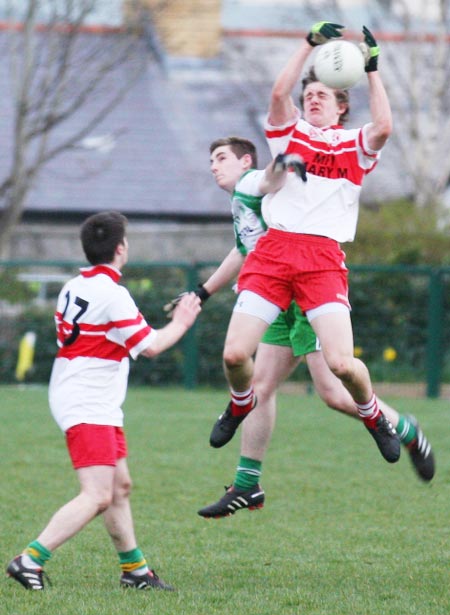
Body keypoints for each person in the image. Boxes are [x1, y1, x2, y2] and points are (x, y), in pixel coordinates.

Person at [186, 137, 434, 517]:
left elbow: (284, 192)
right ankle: (248, 485)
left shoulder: (259, 184)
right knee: (260, 388)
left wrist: (287, 162)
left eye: (221, 158)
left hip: (304, 296)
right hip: (274, 298)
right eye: (212, 159)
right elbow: (243, 250)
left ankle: (406, 431)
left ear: (246, 161)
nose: (214, 166)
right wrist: (203, 292)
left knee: (334, 393)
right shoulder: (242, 199)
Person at [207, 23, 410, 481]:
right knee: (235, 357)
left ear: (341, 105)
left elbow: (385, 126)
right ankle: (240, 404)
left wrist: (372, 68)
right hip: (274, 253)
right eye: (310, 94)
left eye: (323, 94)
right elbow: (279, 95)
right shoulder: (289, 134)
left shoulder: (355, 146)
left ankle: (374, 413)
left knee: (342, 366)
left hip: (321, 259)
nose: (313, 99)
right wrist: (307, 45)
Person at [6, 211, 202, 591]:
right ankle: (29, 559)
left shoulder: (74, 285)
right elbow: (152, 347)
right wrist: (182, 320)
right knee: (97, 494)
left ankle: (135, 571)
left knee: (119, 485)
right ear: (121, 248)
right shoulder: (112, 294)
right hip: (87, 400)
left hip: (86, 394)